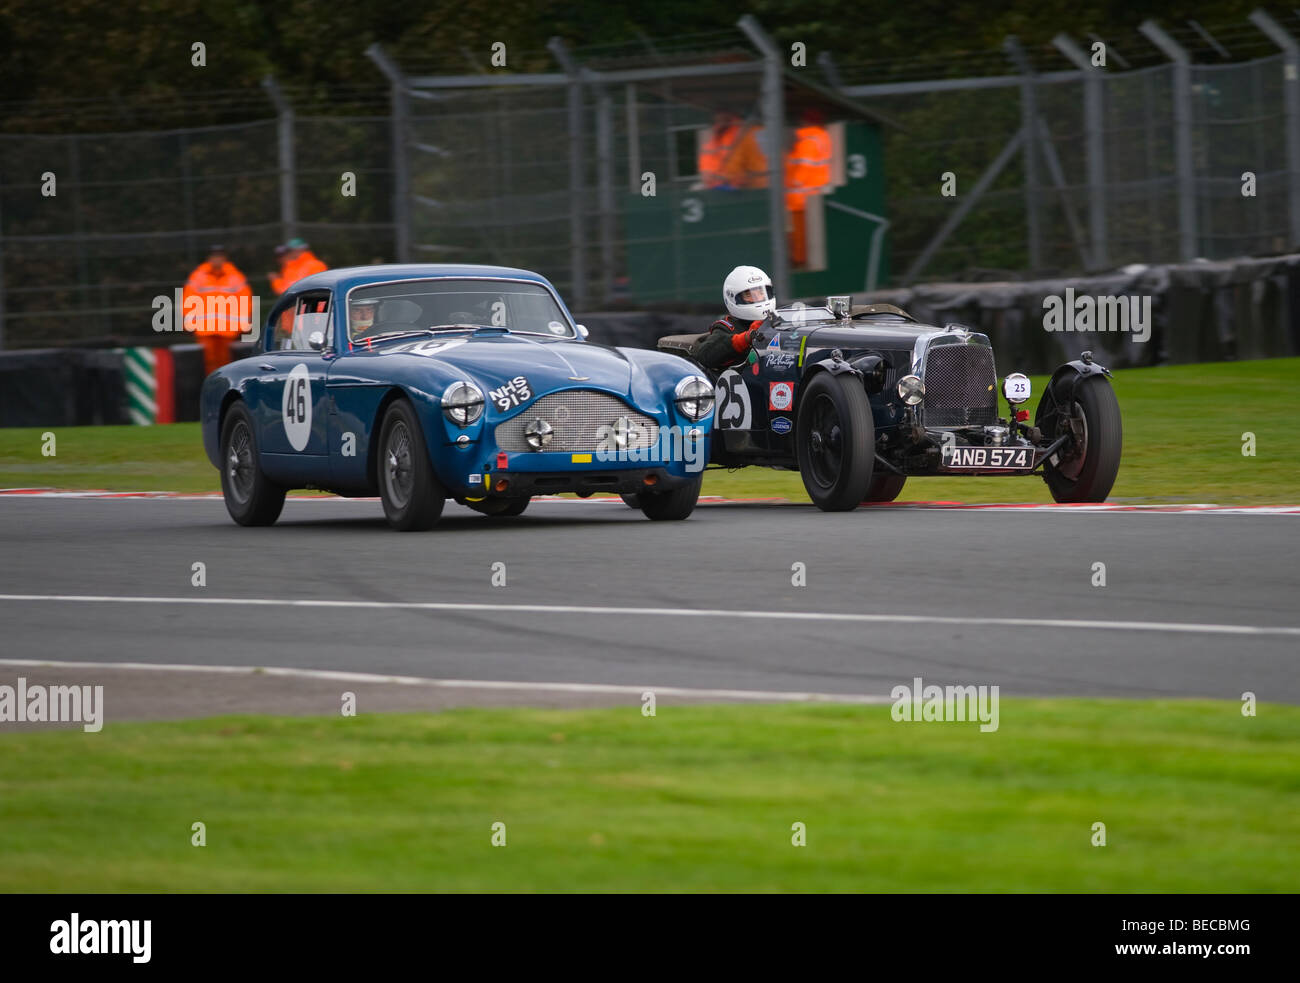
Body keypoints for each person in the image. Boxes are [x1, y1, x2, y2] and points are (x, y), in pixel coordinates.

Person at [183, 245, 252, 374]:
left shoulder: (236, 277)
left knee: (226, 361)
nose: (217, 259)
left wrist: (243, 324)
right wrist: (189, 323)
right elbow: (188, 300)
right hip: (205, 329)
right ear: (209, 258)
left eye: (220, 256)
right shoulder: (198, 277)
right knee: (208, 362)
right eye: (214, 256)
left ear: (225, 258)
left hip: (228, 329)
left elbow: (245, 301)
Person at [695, 265, 776, 372]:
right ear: (732, 298)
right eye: (749, 295)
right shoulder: (726, 327)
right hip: (745, 382)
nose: (758, 298)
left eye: (761, 293)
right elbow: (704, 356)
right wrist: (745, 338)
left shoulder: (776, 320)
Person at [785, 107, 833, 267]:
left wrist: (794, 182)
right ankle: (800, 260)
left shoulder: (808, 140)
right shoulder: (822, 137)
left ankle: (799, 261)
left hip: (801, 196)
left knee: (800, 233)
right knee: (808, 233)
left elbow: (804, 165)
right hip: (813, 194)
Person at [698, 110, 768, 190]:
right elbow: (707, 172)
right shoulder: (715, 139)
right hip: (729, 187)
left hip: (749, 187)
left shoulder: (745, 132)